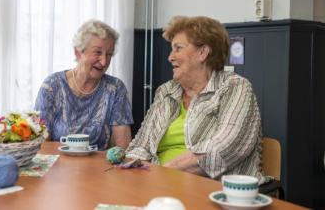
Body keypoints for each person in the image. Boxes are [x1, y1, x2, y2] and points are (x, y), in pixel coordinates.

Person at [126, 16, 266, 183]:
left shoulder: (235, 87)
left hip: (214, 190)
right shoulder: (167, 91)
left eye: (178, 48)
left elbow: (223, 150)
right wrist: (132, 173)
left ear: (203, 52)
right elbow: (140, 146)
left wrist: (161, 174)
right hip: (158, 184)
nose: (170, 57)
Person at [35, 20, 133, 150]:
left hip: (99, 166)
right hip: (58, 163)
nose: (104, 62)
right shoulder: (52, 86)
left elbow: (124, 146)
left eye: (109, 54)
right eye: (97, 52)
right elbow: (41, 144)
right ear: (78, 52)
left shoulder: (115, 88)